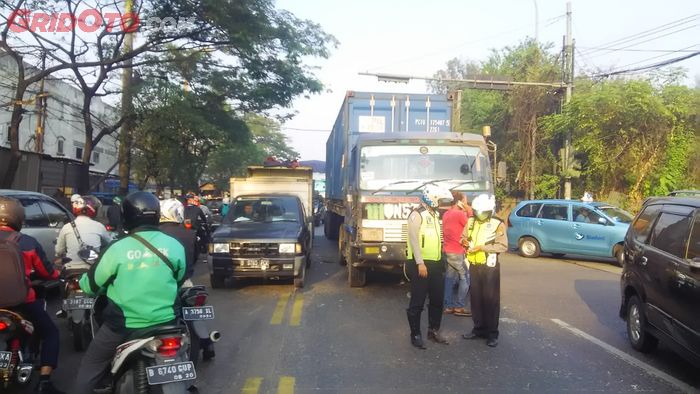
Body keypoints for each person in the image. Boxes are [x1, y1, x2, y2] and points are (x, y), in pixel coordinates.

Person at [73, 192, 186, 393]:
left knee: (91, 365)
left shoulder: (117, 248)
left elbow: (91, 286)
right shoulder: (174, 245)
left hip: (124, 326)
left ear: (126, 216)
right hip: (167, 323)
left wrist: (82, 284)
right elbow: (179, 277)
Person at [0, 196, 64, 393]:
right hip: (22, 303)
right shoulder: (27, 242)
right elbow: (47, 273)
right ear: (18, 217)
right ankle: (45, 381)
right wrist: (58, 272)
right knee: (51, 333)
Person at [406, 185, 453, 349]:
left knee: (437, 301)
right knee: (417, 302)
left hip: (436, 263)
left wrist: (443, 258)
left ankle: (433, 331)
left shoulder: (434, 215)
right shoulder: (416, 215)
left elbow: (438, 239)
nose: (441, 204)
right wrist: (420, 263)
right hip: (421, 264)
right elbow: (413, 240)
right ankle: (416, 334)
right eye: (439, 201)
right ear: (431, 199)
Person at [461, 194, 508, 348]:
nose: (480, 215)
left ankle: (492, 333)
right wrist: (465, 241)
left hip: (489, 266)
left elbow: (502, 246)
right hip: (474, 264)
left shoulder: (497, 223)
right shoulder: (470, 221)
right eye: (477, 212)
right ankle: (478, 328)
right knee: (476, 299)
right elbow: (463, 237)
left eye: (483, 213)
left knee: (490, 300)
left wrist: (483, 247)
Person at [56, 195, 112, 264]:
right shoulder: (99, 227)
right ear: (92, 210)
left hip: (70, 270)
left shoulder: (66, 227)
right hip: (91, 270)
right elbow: (110, 245)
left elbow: (58, 251)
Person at [443, 191, 472, 317]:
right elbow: (471, 226)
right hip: (457, 251)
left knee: (449, 279)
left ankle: (448, 305)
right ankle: (459, 306)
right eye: (465, 200)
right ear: (460, 202)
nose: (466, 202)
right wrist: (468, 209)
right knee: (465, 278)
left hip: (448, 250)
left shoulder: (446, 213)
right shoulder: (459, 214)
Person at [159, 198, 196, 280]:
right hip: (183, 280)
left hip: (159, 280)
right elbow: (193, 259)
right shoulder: (190, 234)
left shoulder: (153, 233)